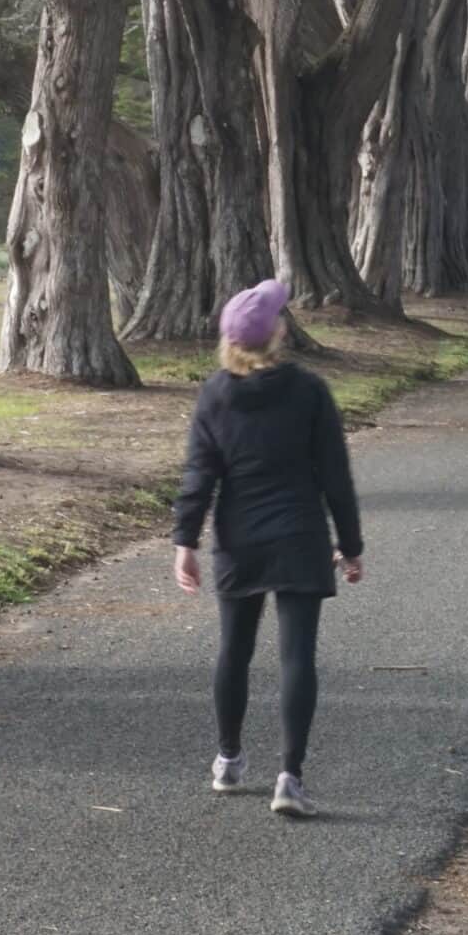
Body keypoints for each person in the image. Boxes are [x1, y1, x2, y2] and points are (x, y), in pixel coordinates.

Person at [173, 278, 364, 820]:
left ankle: (228, 759)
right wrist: (350, 545)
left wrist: (185, 541)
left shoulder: (214, 393)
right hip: (301, 534)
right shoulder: (309, 391)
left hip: (240, 538)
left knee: (235, 649)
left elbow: (199, 475)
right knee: (297, 655)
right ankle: (290, 778)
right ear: (277, 332)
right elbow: (335, 475)